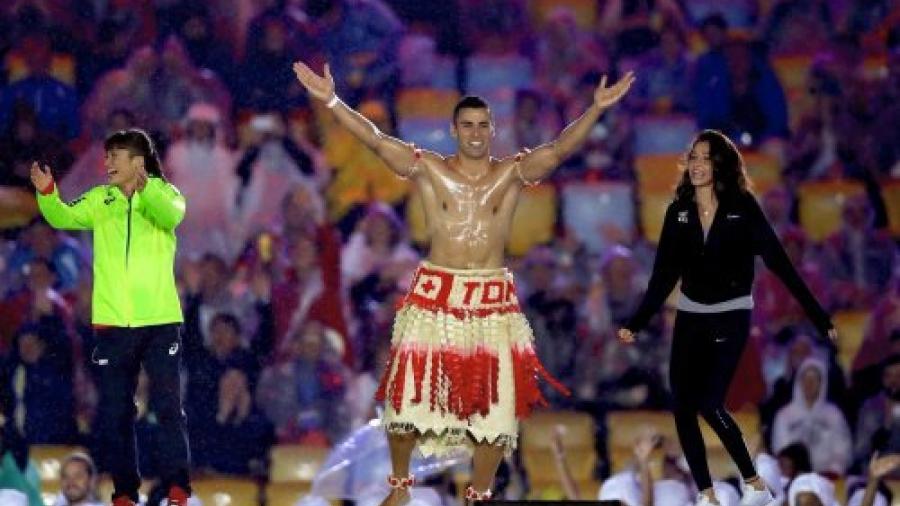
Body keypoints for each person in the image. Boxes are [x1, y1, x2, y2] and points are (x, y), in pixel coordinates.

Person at [293, 60, 634, 504]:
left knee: (496, 412)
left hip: (489, 295)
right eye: (466, 125)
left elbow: (558, 151)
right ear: (455, 131)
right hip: (439, 289)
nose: (475, 132)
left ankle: (480, 489)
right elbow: (375, 141)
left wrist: (595, 109)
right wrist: (332, 100)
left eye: (482, 125)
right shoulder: (430, 168)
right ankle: (399, 488)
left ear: (491, 130)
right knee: (406, 400)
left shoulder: (510, 172)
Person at [617, 130, 836, 506]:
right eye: (694, 157)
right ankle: (706, 495)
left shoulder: (744, 207)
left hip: (730, 316)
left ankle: (751, 477)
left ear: (722, 164)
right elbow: (663, 277)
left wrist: (818, 316)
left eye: (707, 158)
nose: (699, 165)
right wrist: (636, 322)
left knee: (709, 403)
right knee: (682, 407)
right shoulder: (678, 212)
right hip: (690, 315)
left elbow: (780, 264)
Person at [29, 129, 191, 506]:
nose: (106, 164)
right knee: (117, 414)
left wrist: (145, 187)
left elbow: (170, 217)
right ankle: (124, 493)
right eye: (106, 157)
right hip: (113, 324)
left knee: (167, 407)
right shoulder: (101, 201)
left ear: (137, 161)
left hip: (159, 320)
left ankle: (177, 487)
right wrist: (48, 191)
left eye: (114, 157)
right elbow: (62, 218)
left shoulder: (167, 196)